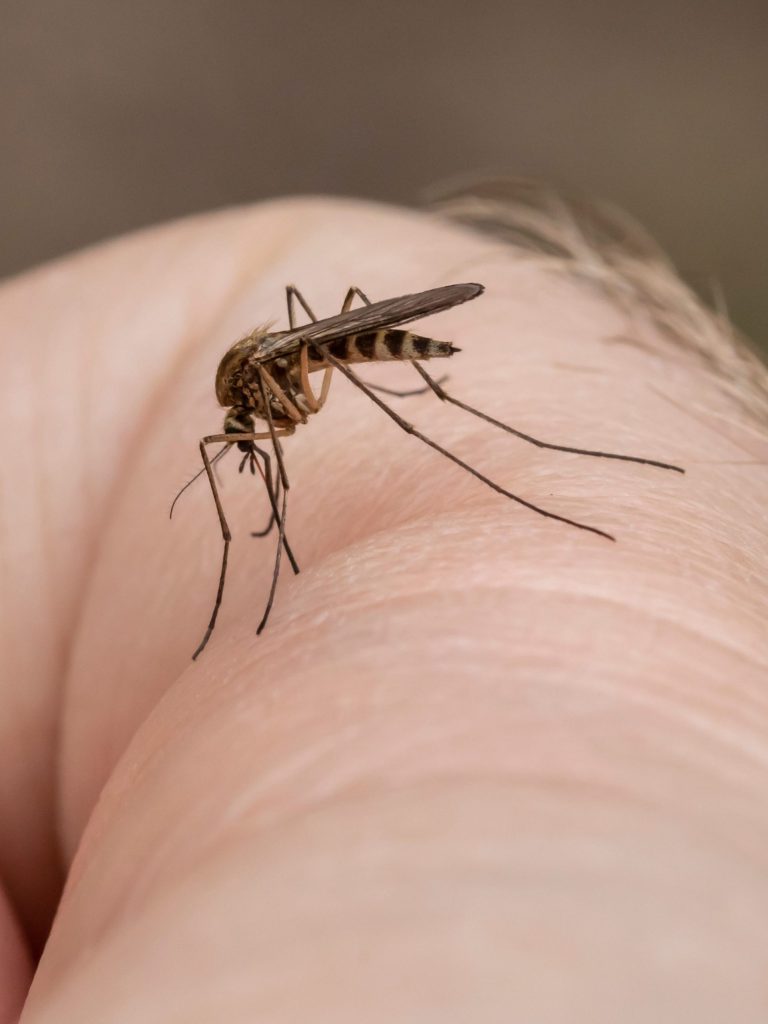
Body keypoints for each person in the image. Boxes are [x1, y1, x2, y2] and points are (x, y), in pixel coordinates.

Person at [3, 192, 767, 1022]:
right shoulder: (243, 405)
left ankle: (533, 460)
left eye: (244, 422)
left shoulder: (263, 385)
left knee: (365, 388)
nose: (246, 437)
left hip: (341, 348)